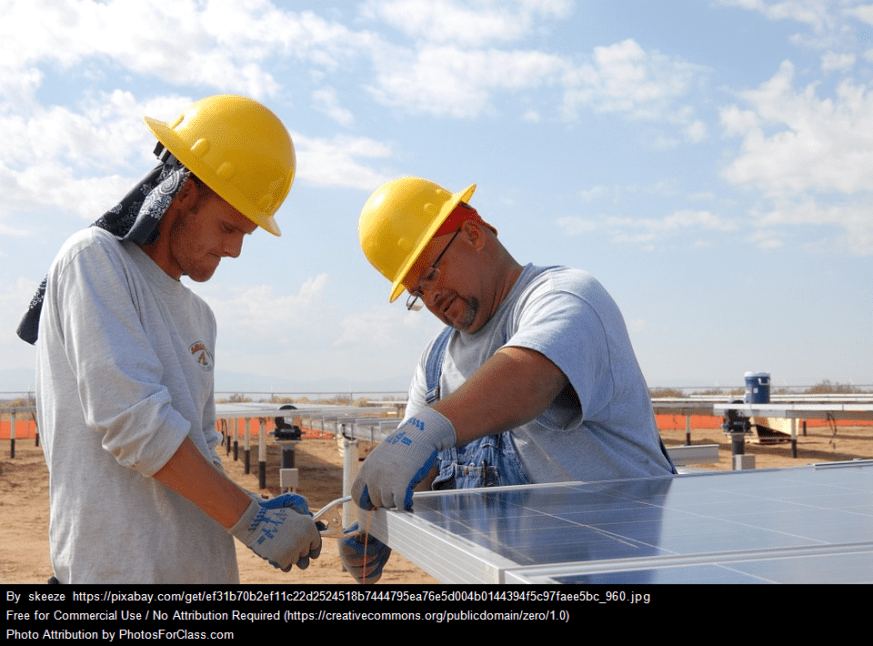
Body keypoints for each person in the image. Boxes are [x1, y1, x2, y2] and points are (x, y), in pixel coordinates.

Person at [19, 95, 322, 584]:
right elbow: (134, 423)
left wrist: (252, 507)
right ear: (183, 194)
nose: (235, 249)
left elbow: (198, 448)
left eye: (246, 233)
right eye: (228, 227)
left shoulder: (200, 317)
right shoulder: (95, 261)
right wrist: (250, 519)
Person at [341, 176, 675, 582]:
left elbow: (528, 379)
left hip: (617, 573)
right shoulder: (434, 362)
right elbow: (416, 473)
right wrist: (376, 521)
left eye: (429, 274)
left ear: (472, 233)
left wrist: (428, 428)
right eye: (416, 292)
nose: (430, 298)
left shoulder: (565, 297)